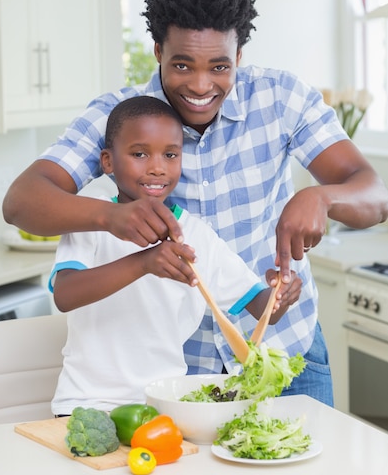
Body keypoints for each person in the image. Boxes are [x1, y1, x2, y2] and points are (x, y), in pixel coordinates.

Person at [3, 0, 388, 406]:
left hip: (284, 355)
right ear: (157, 51)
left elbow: (373, 194)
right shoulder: (121, 118)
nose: (201, 85)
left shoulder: (281, 98)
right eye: (182, 64)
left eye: (220, 66)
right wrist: (112, 218)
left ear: (239, 56)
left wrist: (322, 197)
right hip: (178, 380)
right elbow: (21, 202)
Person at [48, 96, 302, 413]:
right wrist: (144, 263)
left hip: (164, 405)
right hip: (84, 404)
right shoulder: (90, 218)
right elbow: (65, 295)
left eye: (170, 155)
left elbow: (264, 308)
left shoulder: (197, 236)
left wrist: (282, 291)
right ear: (108, 161)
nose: (157, 168)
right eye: (139, 154)